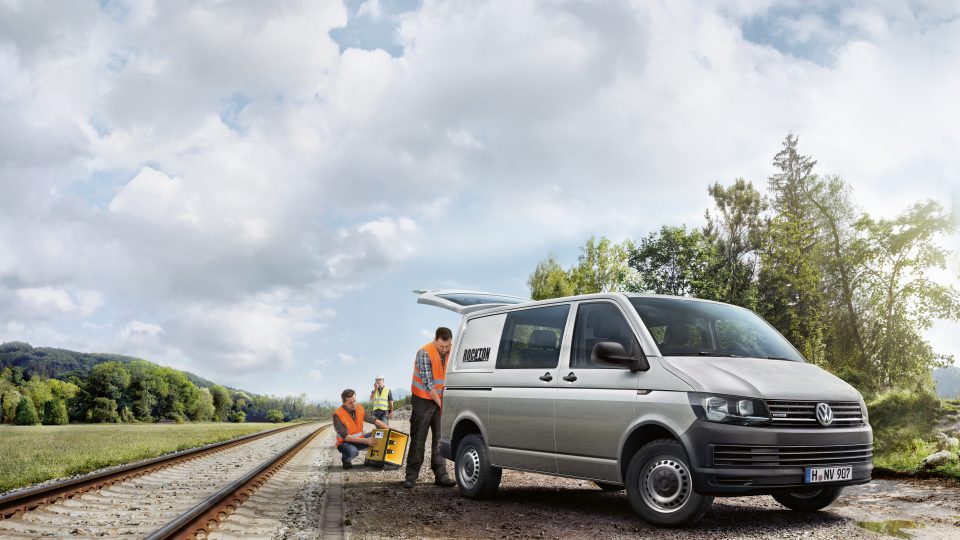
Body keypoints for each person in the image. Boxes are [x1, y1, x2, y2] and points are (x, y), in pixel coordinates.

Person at [403, 327, 456, 488]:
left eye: (447, 346)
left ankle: (441, 475)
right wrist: (442, 405)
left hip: (441, 399)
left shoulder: (452, 351)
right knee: (418, 438)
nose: (445, 349)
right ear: (435, 340)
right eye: (442, 346)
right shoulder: (424, 352)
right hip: (423, 399)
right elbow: (429, 385)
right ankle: (411, 476)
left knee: (441, 439)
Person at [333, 388, 388, 469]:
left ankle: (371, 460)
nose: (354, 404)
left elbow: (374, 420)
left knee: (380, 434)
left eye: (355, 401)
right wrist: (366, 441)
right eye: (350, 402)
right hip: (344, 443)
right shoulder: (337, 415)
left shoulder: (359, 408)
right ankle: (346, 459)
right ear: (344, 403)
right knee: (353, 452)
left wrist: (390, 428)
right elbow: (345, 437)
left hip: (359, 440)